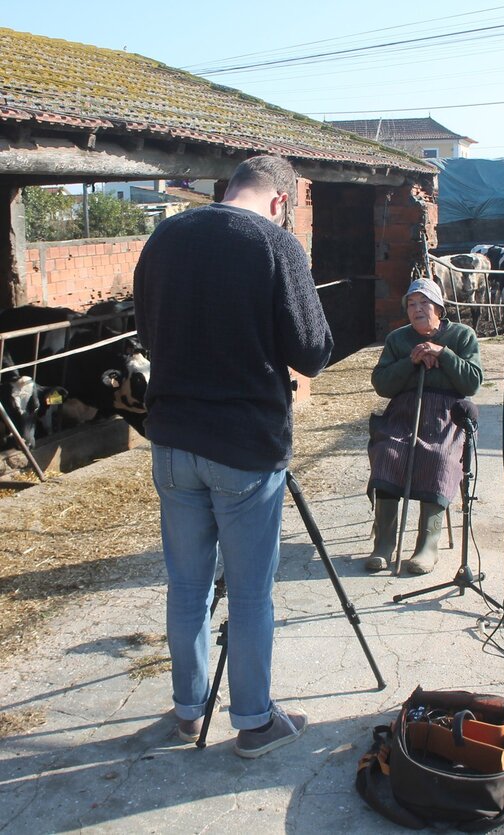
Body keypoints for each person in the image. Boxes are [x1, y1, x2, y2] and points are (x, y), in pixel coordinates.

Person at [133, 155, 333, 758]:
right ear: (281, 201)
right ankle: (253, 722)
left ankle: (187, 710)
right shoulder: (274, 243)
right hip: (244, 445)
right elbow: (313, 350)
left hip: (173, 440)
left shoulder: (166, 235)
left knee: (187, 586)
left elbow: (145, 334)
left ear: (230, 187)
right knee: (248, 594)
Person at [366, 277, 483, 573]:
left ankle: (427, 546)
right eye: (411, 304)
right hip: (404, 412)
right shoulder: (398, 339)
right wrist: (411, 361)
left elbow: (472, 382)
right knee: (388, 451)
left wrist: (443, 354)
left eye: (424, 303)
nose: (417, 309)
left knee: (438, 457)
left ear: (439, 308)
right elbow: (381, 384)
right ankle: (384, 544)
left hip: (447, 416)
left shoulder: (462, 335)